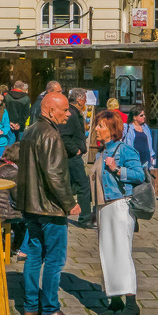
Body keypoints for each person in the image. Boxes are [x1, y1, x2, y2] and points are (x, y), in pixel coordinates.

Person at [15, 92, 83, 315]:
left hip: (32, 206)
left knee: (34, 255)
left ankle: (31, 306)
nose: (68, 114)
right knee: (54, 260)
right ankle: (50, 309)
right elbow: (55, 176)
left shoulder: (31, 131)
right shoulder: (50, 135)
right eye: (64, 109)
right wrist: (69, 203)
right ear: (50, 110)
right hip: (49, 208)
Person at [92, 110, 147, 315]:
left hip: (119, 205)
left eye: (101, 126)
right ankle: (115, 301)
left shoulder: (124, 150)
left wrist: (117, 170)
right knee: (107, 254)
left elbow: (139, 175)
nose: (97, 129)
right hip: (103, 207)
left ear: (112, 129)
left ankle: (131, 305)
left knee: (122, 254)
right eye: (97, 125)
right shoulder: (101, 152)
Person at [62, 87, 95, 228]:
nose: (86, 102)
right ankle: (85, 218)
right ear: (80, 100)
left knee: (69, 185)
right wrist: (75, 150)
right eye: (85, 99)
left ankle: (63, 213)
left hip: (71, 155)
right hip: (71, 156)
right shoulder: (71, 114)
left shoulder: (73, 112)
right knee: (83, 186)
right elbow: (64, 135)